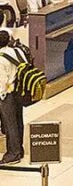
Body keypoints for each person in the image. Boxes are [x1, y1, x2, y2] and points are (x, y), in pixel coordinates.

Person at [0, 30, 25, 164]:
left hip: (8, 94)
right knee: (18, 121)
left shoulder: (1, 58)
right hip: (19, 91)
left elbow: (2, 82)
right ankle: (19, 149)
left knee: (10, 125)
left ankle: (13, 153)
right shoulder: (17, 51)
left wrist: (2, 95)